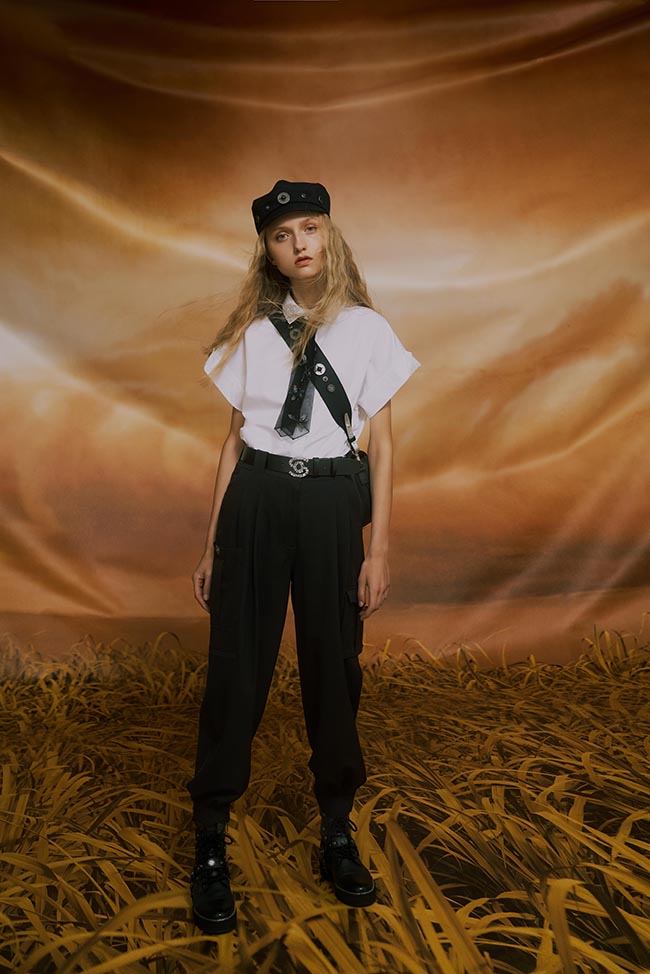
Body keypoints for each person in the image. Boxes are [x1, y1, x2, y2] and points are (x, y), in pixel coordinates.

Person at [186, 179, 421, 934]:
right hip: (255, 498)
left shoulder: (367, 330)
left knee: (333, 666)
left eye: (310, 227)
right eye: (282, 235)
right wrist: (211, 544)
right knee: (236, 666)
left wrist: (378, 548)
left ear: (330, 235)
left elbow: (385, 445)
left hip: (330, 504)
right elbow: (231, 443)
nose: (299, 244)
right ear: (268, 250)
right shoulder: (251, 333)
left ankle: (337, 831)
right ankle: (211, 839)